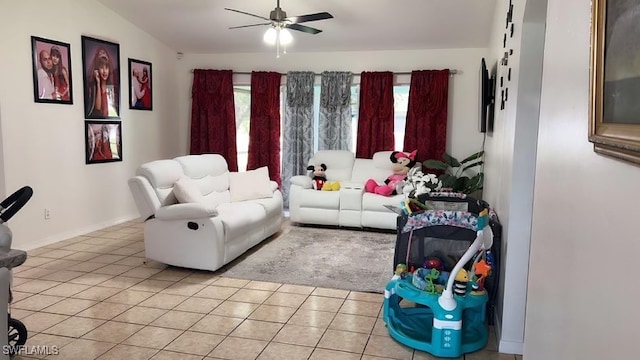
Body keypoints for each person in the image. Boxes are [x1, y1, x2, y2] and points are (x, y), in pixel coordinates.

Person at [87, 48, 117, 117]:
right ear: (97, 69)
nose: (104, 71)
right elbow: (98, 108)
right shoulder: (94, 87)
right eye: (101, 68)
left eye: (106, 68)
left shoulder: (111, 87)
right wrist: (98, 83)